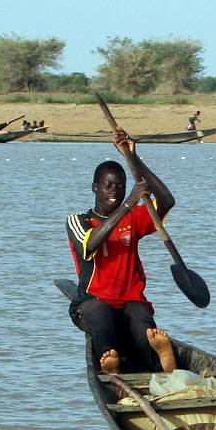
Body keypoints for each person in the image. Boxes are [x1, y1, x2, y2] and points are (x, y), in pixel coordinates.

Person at [64, 127, 178, 376]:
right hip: (93, 300)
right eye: (108, 185)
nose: (115, 190)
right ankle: (110, 361)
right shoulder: (78, 220)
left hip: (131, 300)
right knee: (101, 316)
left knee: (142, 322)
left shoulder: (134, 219)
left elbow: (167, 201)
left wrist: (134, 158)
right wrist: (129, 203)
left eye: (121, 186)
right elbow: (90, 243)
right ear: (95, 188)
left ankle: (163, 359)